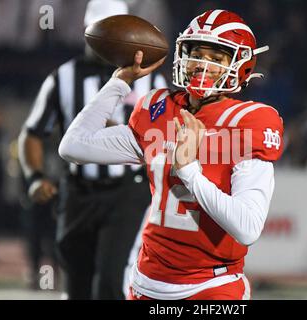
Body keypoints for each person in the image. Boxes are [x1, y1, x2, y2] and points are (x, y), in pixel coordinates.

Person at [59, 9, 284, 300]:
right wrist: (119, 81)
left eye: (216, 59)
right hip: (147, 283)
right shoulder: (158, 108)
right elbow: (74, 145)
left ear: (240, 65)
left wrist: (189, 171)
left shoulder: (249, 121)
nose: (202, 65)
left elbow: (248, 228)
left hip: (211, 286)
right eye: (196, 54)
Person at [18, 0, 166, 299]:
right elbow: (32, 134)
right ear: (90, 32)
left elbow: (165, 132)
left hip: (128, 191)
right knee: (77, 284)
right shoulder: (62, 77)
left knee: (112, 280)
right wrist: (35, 176)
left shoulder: (152, 77)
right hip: (78, 192)